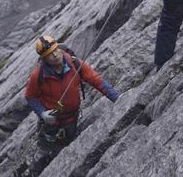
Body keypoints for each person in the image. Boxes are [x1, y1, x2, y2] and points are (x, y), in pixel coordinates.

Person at [24, 36, 119, 173]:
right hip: (50, 123)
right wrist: (42, 113)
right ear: (44, 58)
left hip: (70, 120)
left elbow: (97, 81)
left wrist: (117, 98)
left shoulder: (74, 63)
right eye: (49, 54)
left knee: (63, 152)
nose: (55, 55)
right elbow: (30, 97)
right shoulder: (38, 75)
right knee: (43, 152)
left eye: (55, 50)